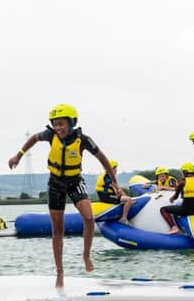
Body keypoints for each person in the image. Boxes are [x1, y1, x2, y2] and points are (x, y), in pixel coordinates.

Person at [8, 104, 118, 288]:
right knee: (57, 229)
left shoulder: (83, 140)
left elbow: (102, 158)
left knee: (89, 218)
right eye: (55, 124)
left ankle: (86, 255)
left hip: (75, 182)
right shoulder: (50, 135)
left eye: (61, 124)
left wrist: (114, 181)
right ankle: (60, 272)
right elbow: (34, 138)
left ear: (71, 123)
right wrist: (18, 156)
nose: (58, 128)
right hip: (55, 184)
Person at [159, 163, 194, 235]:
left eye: (182, 172)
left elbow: (175, 197)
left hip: (185, 210)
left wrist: (171, 199)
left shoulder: (183, 183)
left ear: (185, 172)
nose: (182, 174)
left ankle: (174, 227)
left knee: (163, 209)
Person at [94, 160, 133, 224]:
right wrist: (129, 199)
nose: (116, 170)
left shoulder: (106, 176)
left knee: (124, 199)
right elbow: (118, 190)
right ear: (110, 169)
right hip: (107, 197)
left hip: (105, 196)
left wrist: (120, 195)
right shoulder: (109, 177)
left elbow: (116, 191)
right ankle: (124, 218)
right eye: (115, 168)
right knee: (128, 200)